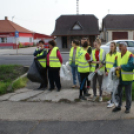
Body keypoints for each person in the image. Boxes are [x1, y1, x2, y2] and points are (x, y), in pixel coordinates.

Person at [112, 42, 134, 114]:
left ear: (125, 47)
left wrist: (121, 67)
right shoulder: (118, 55)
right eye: (119, 46)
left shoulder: (130, 55)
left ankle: (128, 107)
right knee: (118, 93)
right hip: (119, 78)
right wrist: (115, 68)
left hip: (128, 78)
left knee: (128, 94)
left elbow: (131, 66)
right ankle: (118, 106)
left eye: (121, 46)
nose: (119, 47)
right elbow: (115, 64)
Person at [105, 42, 120, 108]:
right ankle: (112, 100)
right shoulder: (108, 54)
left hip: (114, 74)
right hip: (109, 74)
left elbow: (118, 65)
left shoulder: (117, 55)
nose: (111, 47)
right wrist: (106, 71)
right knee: (111, 88)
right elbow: (107, 64)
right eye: (110, 46)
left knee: (114, 88)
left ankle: (113, 102)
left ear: (115, 47)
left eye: (112, 46)